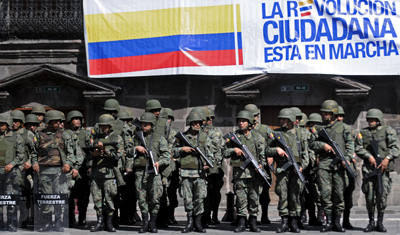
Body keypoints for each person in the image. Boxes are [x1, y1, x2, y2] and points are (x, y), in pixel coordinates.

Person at [309, 100, 354, 233]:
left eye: (327, 113)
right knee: (325, 194)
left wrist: (348, 158)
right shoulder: (318, 128)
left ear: (333, 113)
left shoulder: (344, 128)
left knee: (339, 195)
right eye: (323, 112)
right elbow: (311, 143)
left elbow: (350, 145)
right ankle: (328, 222)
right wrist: (324, 146)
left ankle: (337, 223)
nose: (324, 115)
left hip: (340, 166)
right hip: (324, 166)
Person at [356, 108, 400, 232]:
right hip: (369, 170)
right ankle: (371, 222)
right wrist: (368, 156)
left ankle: (380, 223)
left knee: (382, 195)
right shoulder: (363, 133)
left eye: (373, 119)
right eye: (369, 119)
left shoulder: (388, 131)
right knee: (369, 197)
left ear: (379, 120)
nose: (370, 121)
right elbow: (357, 147)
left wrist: (387, 158)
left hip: (383, 170)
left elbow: (396, 147)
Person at [31, 110, 75, 232]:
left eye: (58, 121)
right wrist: (34, 162)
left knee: (59, 197)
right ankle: (47, 222)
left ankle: (58, 222)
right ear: (49, 122)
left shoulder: (65, 135)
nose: (57, 123)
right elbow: (33, 152)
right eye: (55, 121)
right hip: (44, 171)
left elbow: (71, 153)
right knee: (46, 197)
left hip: (59, 171)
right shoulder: (39, 135)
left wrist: (68, 163)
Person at [266, 108, 309, 233]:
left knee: (295, 196)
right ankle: (284, 222)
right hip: (282, 169)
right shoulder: (275, 134)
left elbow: (305, 153)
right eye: (281, 119)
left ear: (291, 120)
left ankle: (294, 222)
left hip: (296, 170)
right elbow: (267, 150)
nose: (282, 121)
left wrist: (302, 167)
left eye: (284, 119)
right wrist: (276, 151)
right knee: (283, 195)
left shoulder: (300, 134)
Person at [126, 112, 170, 233]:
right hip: (140, 171)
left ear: (152, 125)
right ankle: (145, 223)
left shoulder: (159, 138)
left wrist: (159, 163)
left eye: (147, 124)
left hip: (154, 171)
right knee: (141, 198)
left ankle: (152, 223)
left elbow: (167, 156)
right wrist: (136, 148)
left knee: (155, 198)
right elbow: (127, 152)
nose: (144, 126)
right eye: (142, 123)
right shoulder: (136, 137)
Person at [224, 110, 266, 233]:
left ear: (249, 123)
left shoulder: (257, 137)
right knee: (241, 199)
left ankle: (253, 223)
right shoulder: (233, 137)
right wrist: (234, 150)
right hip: (240, 174)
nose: (241, 123)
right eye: (239, 121)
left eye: (244, 121)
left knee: (254, 198)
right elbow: (224, 153)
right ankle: (241, 222)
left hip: (254, 174)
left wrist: (260, 167)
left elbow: (262, 155)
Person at [173, 112, 212, 233]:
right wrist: (182, 149)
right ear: (190, 124)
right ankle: (189, 222)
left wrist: (207, 165)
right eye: (194, 123)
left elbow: (211, 154)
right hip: (186, 173)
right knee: (187, 199)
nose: (197, 125)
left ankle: (198, 223)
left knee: (199, 198)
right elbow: (173, 152)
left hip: (200, 173)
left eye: (199, 123)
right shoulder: (182, 137)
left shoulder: (205, 137)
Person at [89, 114, 124, 232]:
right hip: (96, 172)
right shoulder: (94, 137)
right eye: (102, 126)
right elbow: (86, 153)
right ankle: (99, 222)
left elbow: (118, 155)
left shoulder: (117, 138)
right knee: (97, 199)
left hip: (109, 173)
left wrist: (106, 150)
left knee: (109, 198)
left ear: (111, 126)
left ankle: (109, 223)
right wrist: (93, 154)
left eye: (106, 126)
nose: (104, 128)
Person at [244, 104, 274, 225]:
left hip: (263, 166)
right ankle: (248, 218)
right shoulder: (244, 130)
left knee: (264, 192)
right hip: (248, 166)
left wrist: (270, 154)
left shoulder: (265, 130)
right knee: (246, 193)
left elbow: (275, 143)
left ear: (257, 116)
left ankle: (265, 216)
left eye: (254, 116)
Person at [65, 110, 91, 227]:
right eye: (75, 119)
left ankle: (82, 218)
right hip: (70, 168)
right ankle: (70, 218)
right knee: (69, 196)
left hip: (83, 169)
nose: (78, 120)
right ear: (70, 121)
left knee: (83, 196)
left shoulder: (86, 134)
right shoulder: (66, 134)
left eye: (79, 118)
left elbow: (89, 151)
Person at [0, 114, 25, 232]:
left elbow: (21, 156)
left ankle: (11, 223)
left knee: (10, 199)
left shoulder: (16, 137)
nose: (0, 126)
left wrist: (11, 164)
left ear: (8, 125)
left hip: (10, 173)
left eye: (2, 124)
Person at [337, 106, 357, 229]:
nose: (339, 118)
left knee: (348, 196)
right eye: (337, 116)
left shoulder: (352, 131)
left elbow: (359, 146)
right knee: (336, 196)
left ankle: (346, 221)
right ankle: (336, 221)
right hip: (336, 169)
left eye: (341, 116)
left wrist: (352, 155)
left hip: (349, 169)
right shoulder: (329, 131)